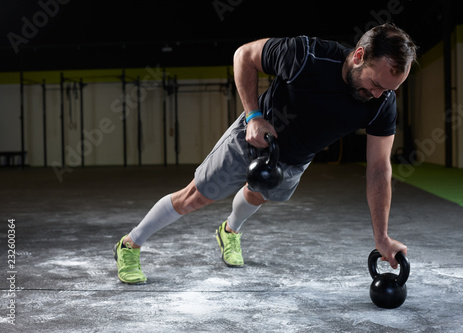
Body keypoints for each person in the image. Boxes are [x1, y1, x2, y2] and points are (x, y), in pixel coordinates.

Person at [113, 23, 418, 284]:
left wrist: (382, 237)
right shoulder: (305, 56)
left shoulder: (382, 102)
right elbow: (244, 55)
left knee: (258, 194)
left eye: (388, 90)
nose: (378, 95)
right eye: (375, 84)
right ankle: (130, 244)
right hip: (255, 139)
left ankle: (229, 230)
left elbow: (379, 168)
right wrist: (252, 116)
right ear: (359, 56)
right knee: (197, 196)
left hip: (295, 160)